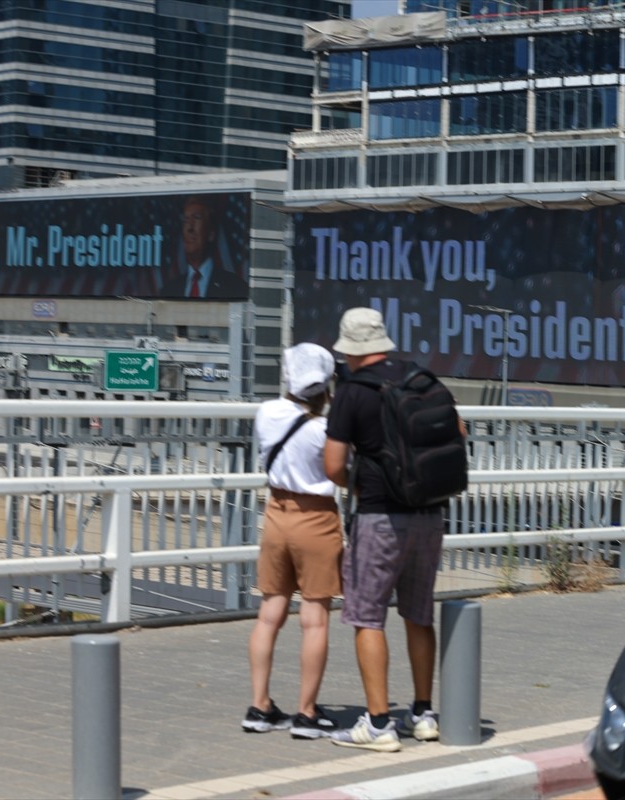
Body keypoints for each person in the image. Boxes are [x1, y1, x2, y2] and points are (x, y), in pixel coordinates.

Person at [323, 307, 463, 752]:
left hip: (380, 516)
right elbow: (457, 430)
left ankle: (378, 723)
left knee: (367, 617)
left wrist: (359, 485)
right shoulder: (422, 378)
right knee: (419, 614)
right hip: (429, 514)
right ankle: (422, 714)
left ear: (350, 350)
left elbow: (332, 465)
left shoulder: (352, 391)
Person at [244, 343, 343, 740]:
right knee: (314, 619)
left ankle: (260, 706)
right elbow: (340, 471)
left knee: (269, 614)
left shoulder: (267, 412)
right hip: (315, 518)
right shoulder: (325, 429)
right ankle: (306, 713)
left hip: (275, 515)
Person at [177, 195, 245, 299]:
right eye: (186, 220)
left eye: (196, 218)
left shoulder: (235, 287)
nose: (189, 228)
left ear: (211, 234)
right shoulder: (169, 289)